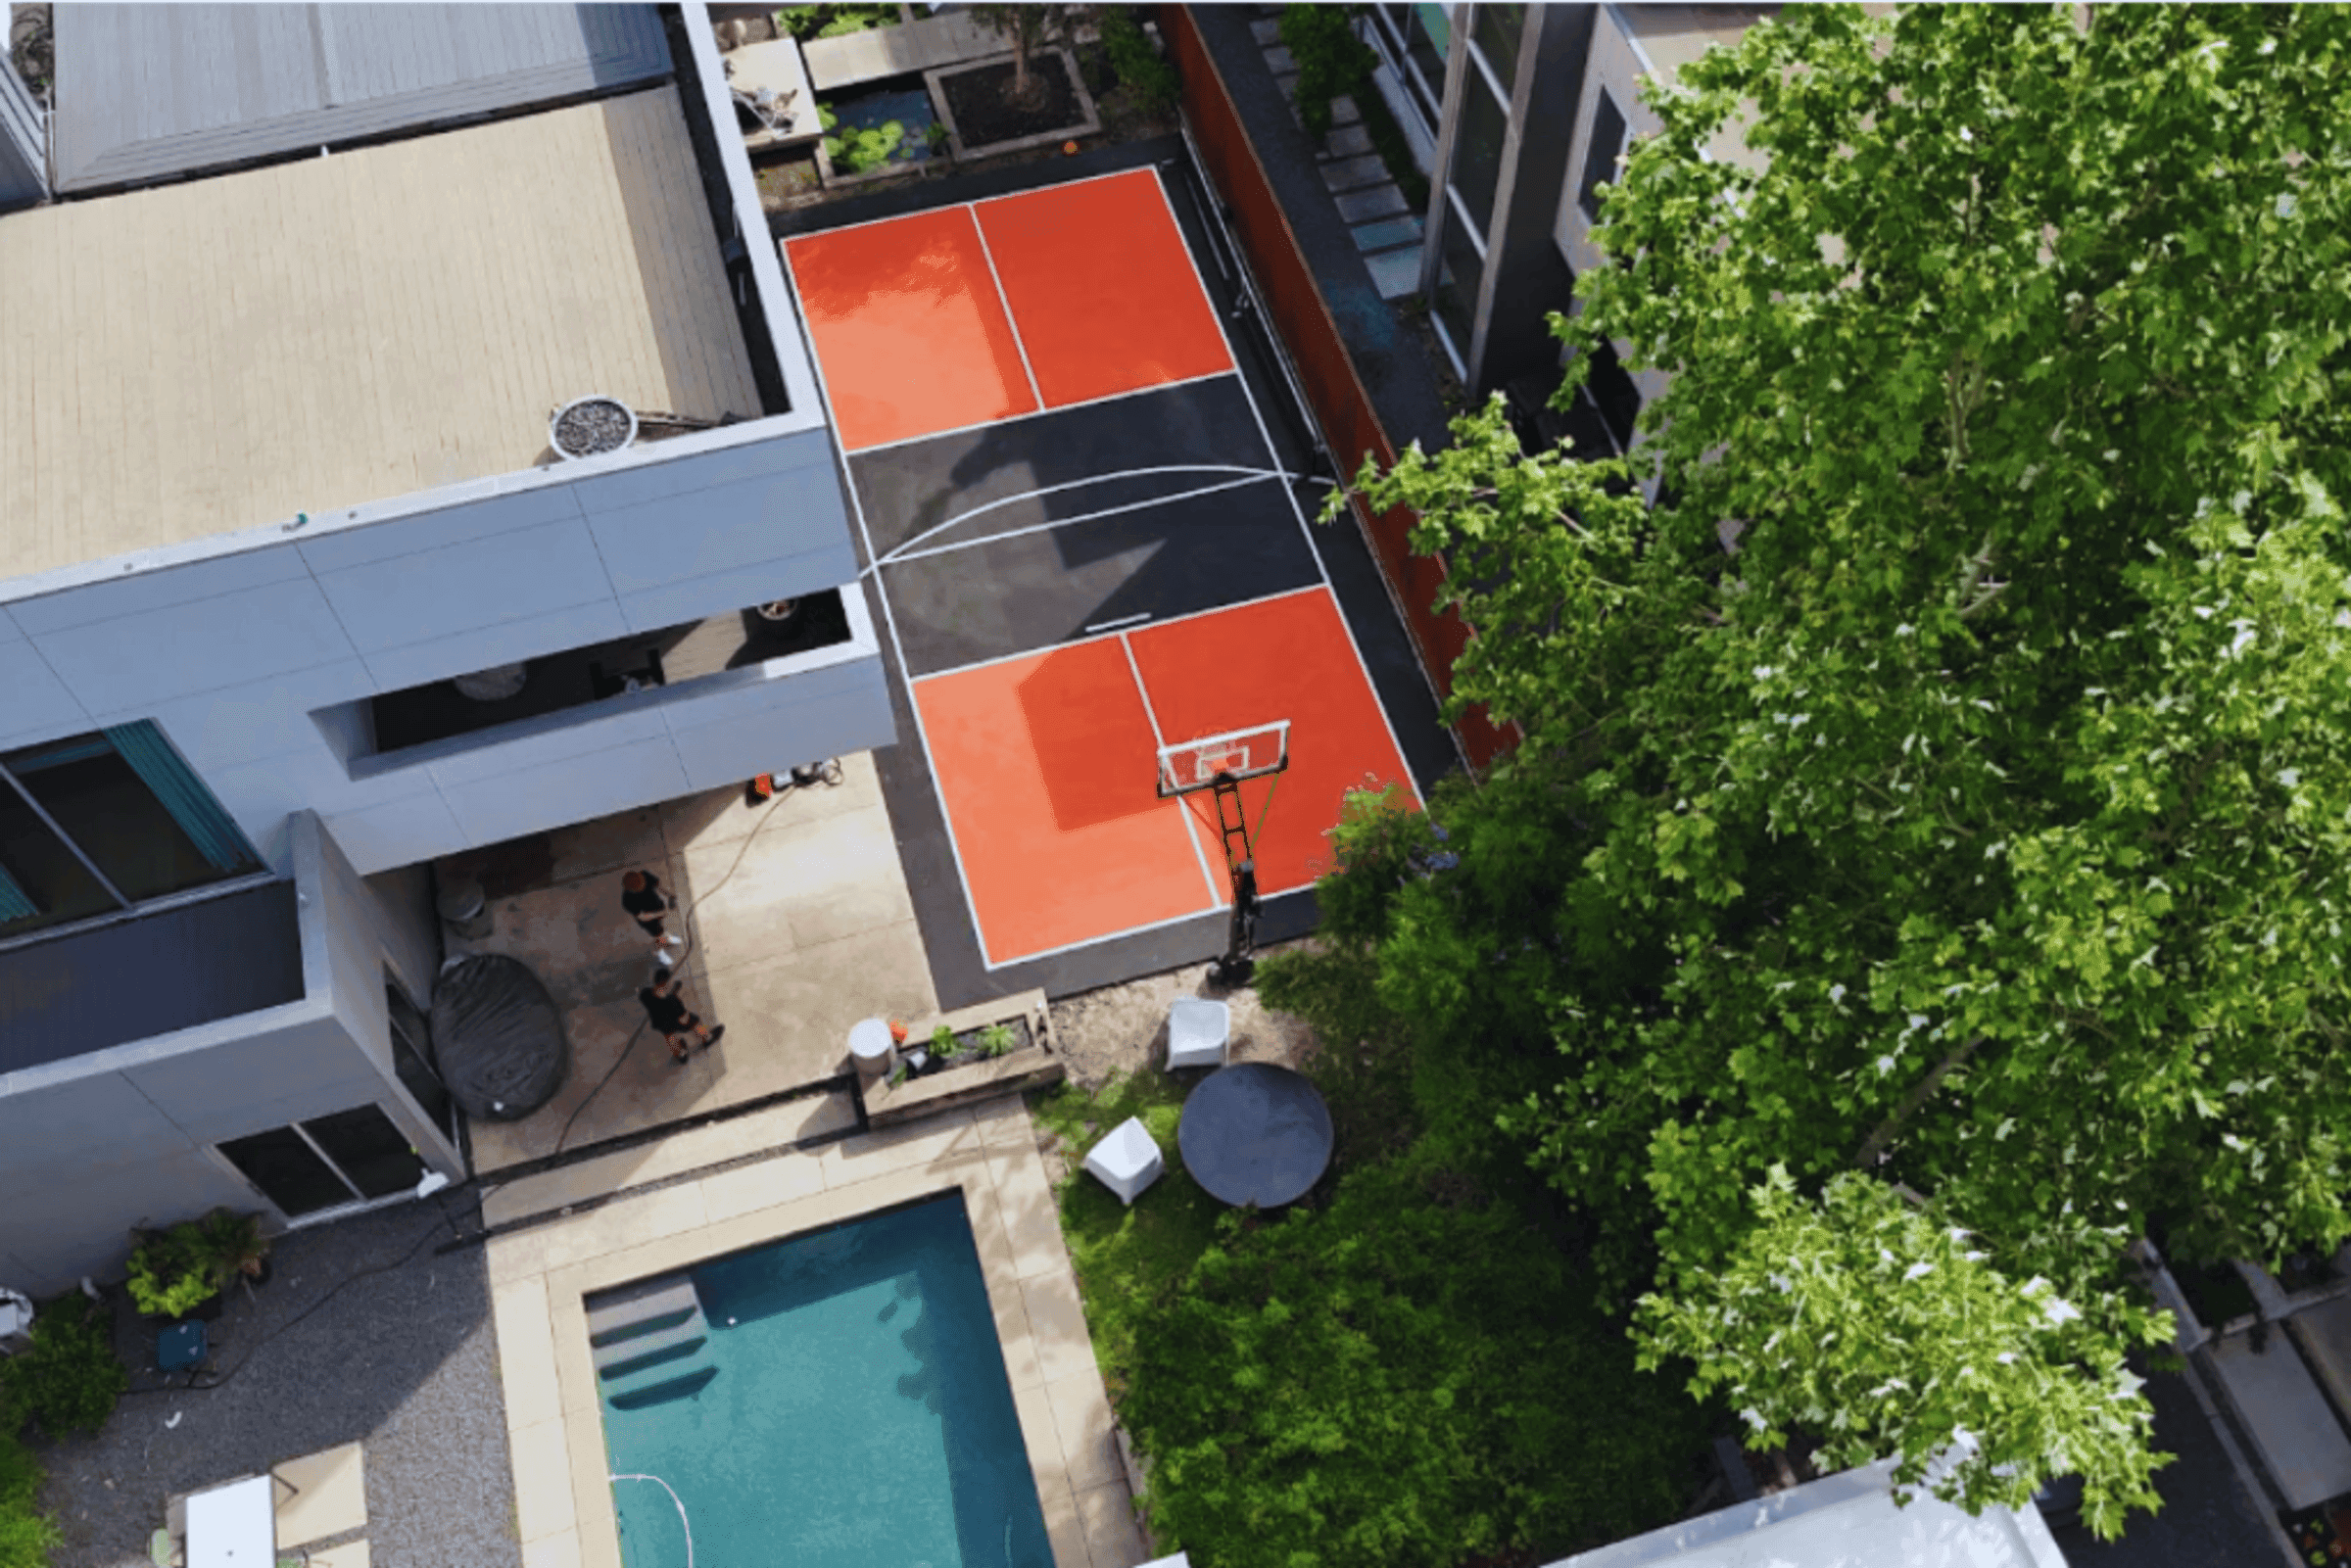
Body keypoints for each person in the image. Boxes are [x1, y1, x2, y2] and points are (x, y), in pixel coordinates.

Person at [638, 968, 724, 1064]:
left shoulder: (645, 993)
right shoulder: (673, 1001)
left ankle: (680, 1054)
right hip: (675, 1022)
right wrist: (675, 997)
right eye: (669, 981)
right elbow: (683, 1018)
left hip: (660, 1023)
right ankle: (707, 1038)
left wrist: (672, 993)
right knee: (694, 1021)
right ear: (665, 983)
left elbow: (660, 998)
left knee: (669, 1037)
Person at [620, 870, 685, 962]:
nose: (644, 885)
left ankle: (666, 938)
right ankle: (659, 952)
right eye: (641, 887)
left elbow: (658, 886)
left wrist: (669, 895)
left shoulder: (644, 876)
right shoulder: (627, 900)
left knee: (661, 930)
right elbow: (641, 916)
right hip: (649, 922)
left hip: (658, 907)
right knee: (658, 936)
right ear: (633, 890)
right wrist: (660, 914)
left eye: (643, 883)